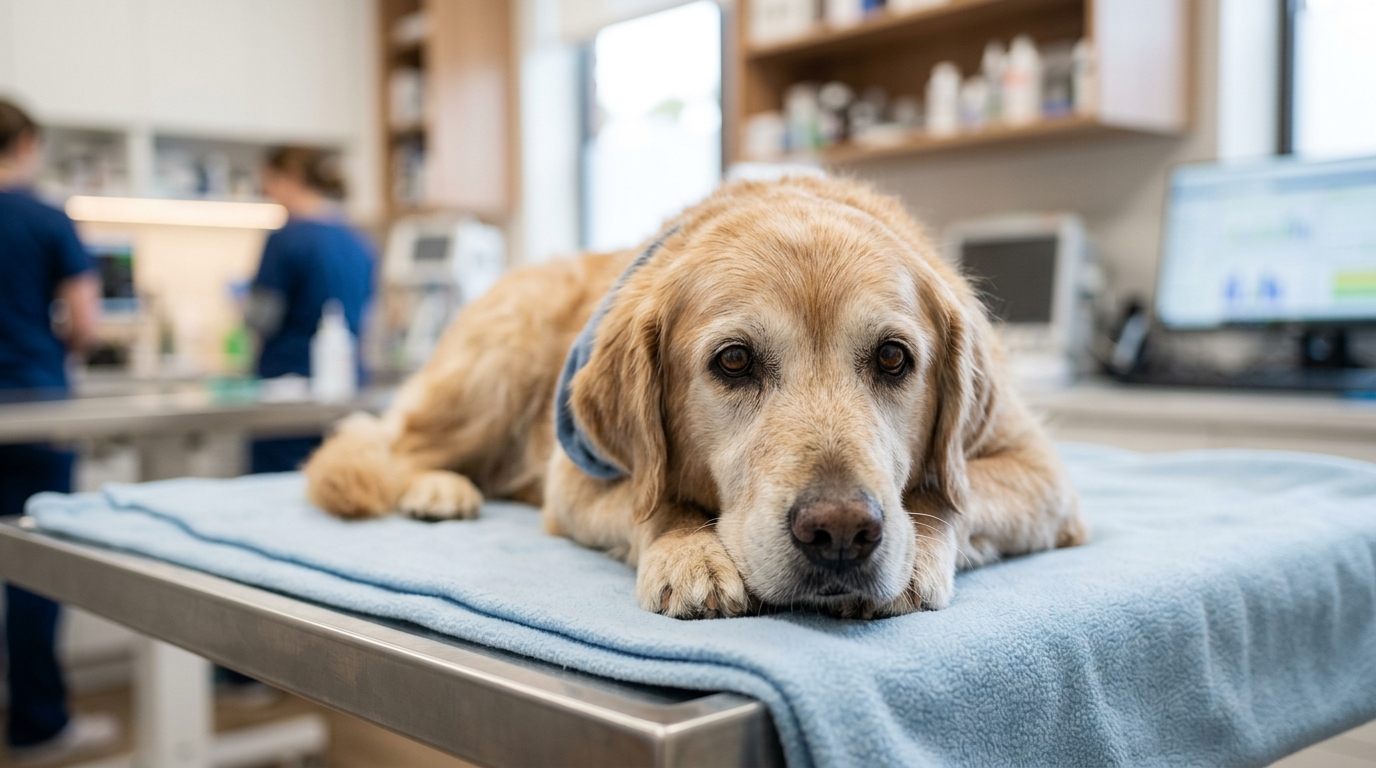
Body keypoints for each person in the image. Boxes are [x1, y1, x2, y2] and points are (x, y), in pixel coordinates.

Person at [0, 100, 120, 762]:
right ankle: (38, 724)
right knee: (34, 569)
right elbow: (86, 323)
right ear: (27, 144)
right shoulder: (45, 219)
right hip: (35, 408)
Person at [245, 147, 374, 473]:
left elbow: (260, 318)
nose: (268, 195)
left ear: (291, 179)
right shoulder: (359, 241)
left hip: (288, 397)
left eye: (269, 185)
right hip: (348, 391)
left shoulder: (286, 239)